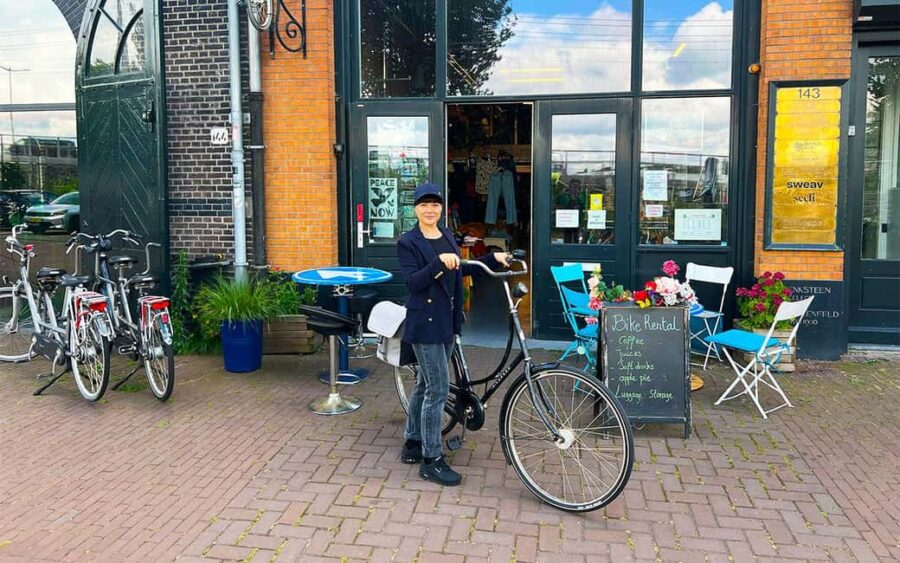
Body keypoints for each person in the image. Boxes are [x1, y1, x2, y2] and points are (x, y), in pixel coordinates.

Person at [396, 182, 508, 486]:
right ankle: (431, 460)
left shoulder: (446, 234)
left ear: (441, 208)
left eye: (435, 204)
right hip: (425, 325)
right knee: (438, 390)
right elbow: (413, 283)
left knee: (424, 385)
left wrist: (489, 260)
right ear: (415, 208)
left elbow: (459, 269)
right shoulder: (408, 242)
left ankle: (412, 442)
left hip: (447, 321)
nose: (430, 210)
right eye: (424, 204)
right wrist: (437, 264)